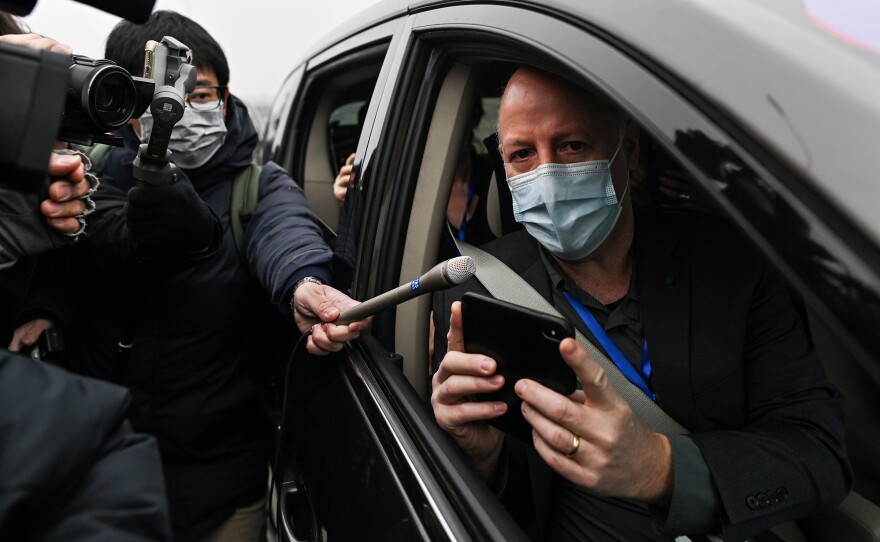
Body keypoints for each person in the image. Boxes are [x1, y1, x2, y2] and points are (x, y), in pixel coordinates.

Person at [430, 66, 850, 540]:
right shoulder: (475, 291)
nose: (547, 176)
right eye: (522, 155)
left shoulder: (731, 266)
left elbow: (820, 451)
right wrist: (480, 457)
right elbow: (498, 507)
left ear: (627, 149)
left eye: (572, 145)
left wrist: (661, 468)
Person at [12, 11, 368, 542]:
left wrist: (303, 281)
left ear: (225, 98)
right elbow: (75, 256)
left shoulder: (257, 186)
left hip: (222, 487)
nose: (184, 109)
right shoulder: (86, 176)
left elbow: (285, 233)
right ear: (129, 107)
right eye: (165, 95)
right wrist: (47, 309)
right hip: (100, 479)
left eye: (202, 94)